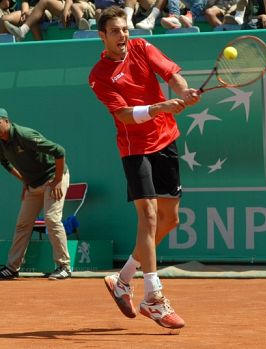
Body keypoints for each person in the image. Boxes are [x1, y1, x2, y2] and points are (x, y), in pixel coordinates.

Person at [89, 6, 200, 329]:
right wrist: (160, 106)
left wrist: (183, 92)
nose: (122, 35)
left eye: (125, 29)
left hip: (166, 140)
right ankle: (154, 297)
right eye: (115, 31)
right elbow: (123, 115)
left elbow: (171, 75)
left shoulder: (142, 47)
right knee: (149, 217)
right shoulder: (99, 75)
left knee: (170, 219)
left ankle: (122, 279)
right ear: (102, 36)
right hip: (134, 149)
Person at [0, 108, 72, 280]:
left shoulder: (25, 135)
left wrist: (56, 179)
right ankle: (12, 268)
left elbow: (59, 151)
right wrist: (24, 180)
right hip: (33, 184)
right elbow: (5, 163)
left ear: (5, 121)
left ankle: (64, 266)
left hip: (52, 178)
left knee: (51, 219)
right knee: (23, 224)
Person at [4, 0, 74, 40]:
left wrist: (65, 10)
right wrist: (24, 12)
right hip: (32, 9)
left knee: (31, 14)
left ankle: (40, 47)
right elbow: (25, 1)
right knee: (4, 20)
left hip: (49, 9)